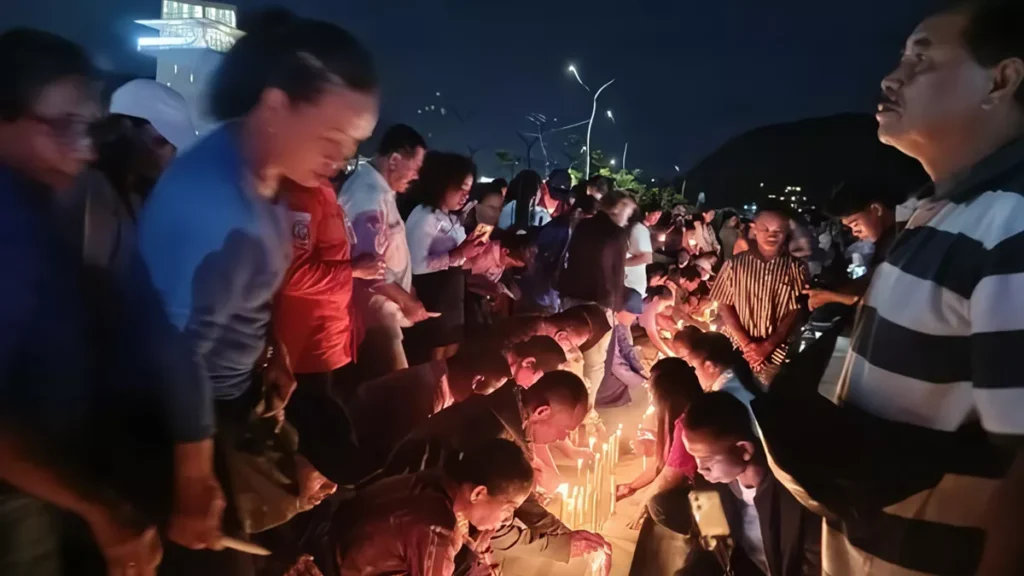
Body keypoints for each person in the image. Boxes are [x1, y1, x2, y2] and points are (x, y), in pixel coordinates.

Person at [136, 14, 379, 574]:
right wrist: (194, 477)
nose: (342, 157)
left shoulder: (262, 181)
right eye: (332, 137)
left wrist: (274, 350)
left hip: (229, 404)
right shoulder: (213, 196)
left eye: (352, 143)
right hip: (182, 426)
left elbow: (244, 294)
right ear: (274, 107)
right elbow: (175, 350)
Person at [825, 2, 1024, 574]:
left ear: (1001, 80)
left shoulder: (1011, 225)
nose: (892, 78)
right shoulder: (939, 210)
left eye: (921, 58)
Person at [0, 28, 168, 576]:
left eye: (89, 128)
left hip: (46, 474)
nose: (87, 149)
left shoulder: (41, 209)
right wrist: (100, 510)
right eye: (64, 126)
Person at [382, 372, 611, 572]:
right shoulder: (493, 430)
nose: (562, 438)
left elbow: (513, 490)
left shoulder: (509, 412)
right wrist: (558, 545)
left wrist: (561, 533)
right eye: (565, 430)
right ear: (542, 412)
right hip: (405, 523)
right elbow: (492, 520)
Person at [272, 177, 385, 483]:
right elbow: (292, 275)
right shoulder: (299, 195)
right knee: (312, 441)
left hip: (328, 338)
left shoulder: (324, 192)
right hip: (304, 345)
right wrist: (354, 270)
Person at [334, 439, 535, 576]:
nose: (505, 520)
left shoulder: (438, 481)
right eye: (508, 510)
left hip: (336, 538)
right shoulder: (437, 532)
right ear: (478, 494)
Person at [61, 79, 197, 271]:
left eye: (177, 148)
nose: (170, 156)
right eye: (160, 142)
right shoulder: (93, 186)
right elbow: (92, 274)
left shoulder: (138, 192)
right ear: (125, 130)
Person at [681, 392, 821, 576]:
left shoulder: (795, 495)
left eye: (707, 459)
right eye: (694, 457)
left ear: (744, 449)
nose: (700, 469)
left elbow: (815, 564)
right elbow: (706, 546)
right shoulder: (711, 489)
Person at [339, 124, 431, 380]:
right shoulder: (368, 195)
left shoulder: (381, 193)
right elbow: (370, 270)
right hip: (374, 315)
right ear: (394, 160)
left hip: (383, 312)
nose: (416, 176)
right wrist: (407, 301)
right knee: (395, 390)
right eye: (415, 167)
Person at [346, 345, 513, 476]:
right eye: (488, 391)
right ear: (477, 380)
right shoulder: (431, 395)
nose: (481, 398)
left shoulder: (439, 372)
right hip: (350, 441)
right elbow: (393, 451)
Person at [404, 152, 487, 363]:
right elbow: (416, 265)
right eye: (461, 189)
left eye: (469, 190)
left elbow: (457, 259)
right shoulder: (424, 216)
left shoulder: (450, 218)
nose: (465, 196)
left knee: (450, 354)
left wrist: (469, 252)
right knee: (432, 358)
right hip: (432, 296)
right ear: (442, 183)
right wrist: (458, 254)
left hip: (452, 297)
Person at [710, 206, 808, 384]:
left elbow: (796, 310)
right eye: (765, 229)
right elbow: (724, 304)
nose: (772, 235)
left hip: (779, 352)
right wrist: (747, 345)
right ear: (754, 229)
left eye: (778, 230)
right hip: (738, 350)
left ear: (787, 232)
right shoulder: (734, 265)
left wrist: (768, 345)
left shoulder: (796, 268)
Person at [559, 191, 636, 404]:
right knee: (594, 362)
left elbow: (570, 258)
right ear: (617, 209)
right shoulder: (617, 234)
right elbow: (617, 272)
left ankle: (568, 403)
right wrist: (616, 306)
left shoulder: (583, 225)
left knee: (571, 354)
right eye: (627, 212)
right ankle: (587, 408)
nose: (628, 218)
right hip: (600, 303)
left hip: (571, 297)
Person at [803, 181, 898, 310]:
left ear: (876, 209)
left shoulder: (904, 245)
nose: (854, 232)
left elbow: (893, 305)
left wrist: (835, 298)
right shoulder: (884, 243)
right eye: (850, 228)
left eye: (855, 224)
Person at [595, 289, 649, 408]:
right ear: (622, 310)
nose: (634, 319)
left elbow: (625, 345)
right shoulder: (607, 325)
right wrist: (642, 383)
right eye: (633, 315)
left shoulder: (616, 322)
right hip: (602, 381)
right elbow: (615, 363)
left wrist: (640, 369)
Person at [639, 285, 678, 359]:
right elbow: (655, 339)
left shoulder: (659, 305)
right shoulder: (650, 309)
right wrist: (673, 357)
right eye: (666, 305)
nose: (667, 308)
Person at [625, 210, 655, 295]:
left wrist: (620, 264)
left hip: (630, 285)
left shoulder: (638, 229)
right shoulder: (631, 228)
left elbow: (647, 257)